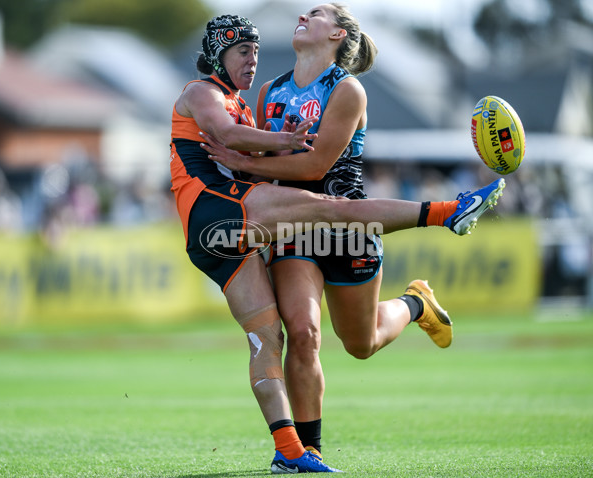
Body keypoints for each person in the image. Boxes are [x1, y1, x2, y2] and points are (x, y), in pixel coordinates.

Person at [172, 13, 504, 474]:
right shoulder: (266, 93)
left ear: (337, 34)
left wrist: (254, 154)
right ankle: (303, 454)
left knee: (361, 343)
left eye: (318, 14)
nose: (303, 16)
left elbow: (315, 165)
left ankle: (415, 304)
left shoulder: (347, 88)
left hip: (346, 219)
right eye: (242, 50)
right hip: (292, 224)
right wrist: (252, 158)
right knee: (302, 335)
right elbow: (256, 160)